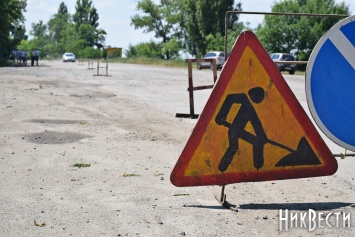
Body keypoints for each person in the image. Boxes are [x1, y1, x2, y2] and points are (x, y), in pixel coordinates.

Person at [215, 87, 268, 172]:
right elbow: (229, 98)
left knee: (257, 142)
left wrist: (262, 136)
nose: (260, 100)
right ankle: (222, 167)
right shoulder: (243, 98)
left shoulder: (251, 109)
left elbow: (256, 123)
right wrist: (221, 116)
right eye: (259, 97)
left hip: (240, 131)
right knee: (234, 146)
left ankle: (258, 167)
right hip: (233, 130)